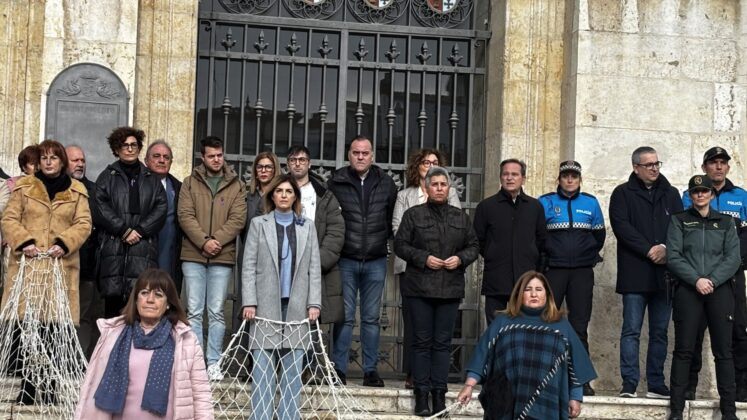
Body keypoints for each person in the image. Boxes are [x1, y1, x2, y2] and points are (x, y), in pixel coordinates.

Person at [1, 139, 92, 404]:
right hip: (29, 269)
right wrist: (24, 241)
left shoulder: (77, 191)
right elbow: (9, 218)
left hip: (60, 270)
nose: (49, 162)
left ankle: (51, 385)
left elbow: (84, 223)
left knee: (54, 331)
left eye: (54, 157)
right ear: (38, 162)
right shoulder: (23, 188)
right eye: (44, 158)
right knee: (31, 330)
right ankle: (28, 386)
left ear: (62, 161)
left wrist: (64, 243)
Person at [394, 166, 479, 416]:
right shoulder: (413, 215)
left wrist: (460, 259)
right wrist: (423, 258)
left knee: (442, 344)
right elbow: (400, 245)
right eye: (435, 184)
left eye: (444, 184)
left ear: (449, 188)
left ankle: (439, 396)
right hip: (419, 288)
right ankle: (421, 395)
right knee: (421, 343)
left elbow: (474, 245)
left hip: (449, 289)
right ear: (427, 188)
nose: (440, 188)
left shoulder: (460, 217)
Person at [74, 268, 213, 419]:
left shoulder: (185, 340)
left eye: (158, 295)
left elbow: (201, 395)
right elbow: (90, 387)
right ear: (136, 299)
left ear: (168, 304)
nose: (150, 300)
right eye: (144, 293)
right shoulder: (113, 335)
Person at [456, 271, 596, 419]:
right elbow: (482, 355)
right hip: (507, 402)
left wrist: (575, 397)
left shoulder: (561, 326)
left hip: (547, 403)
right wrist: (469, 386)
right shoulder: (503, 322)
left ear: (547, 294)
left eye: (539, 289)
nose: (533, 294)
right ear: (519, 294)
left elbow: (576, 365)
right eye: (528, 290)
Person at [241, 174, 321, 420]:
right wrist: (249, 301)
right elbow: (249, 265)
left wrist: (314, 303)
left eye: (289, 191)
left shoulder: (307, 225)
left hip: (296, 306)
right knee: (263, 370)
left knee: (292, 371)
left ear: (295, 196)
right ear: (272, 195)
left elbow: (314, 268)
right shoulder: (258, 224)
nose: (284, 195)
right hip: (264, 305)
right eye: (280, 191)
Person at [609, 146, 683, 399]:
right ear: (636, 168)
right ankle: (629, 382)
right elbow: (622, 226)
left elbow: (679, 226)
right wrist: (648, 249)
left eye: (657, 164)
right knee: (631, 330)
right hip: (635, 272)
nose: (654, 168)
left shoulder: (671, 193)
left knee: (660, 332)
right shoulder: (622, 194)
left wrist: (664, 248)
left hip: (664, 274)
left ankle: (655, 383)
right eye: (649, 164)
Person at [666, 175, 741, 420]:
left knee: (724, 351)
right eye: (696, 191)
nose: (700, 195)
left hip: (720, 291)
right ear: (690, 195)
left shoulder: (727, 222)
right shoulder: (679, 221)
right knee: (684, 349)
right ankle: (676, 410)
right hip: (689, 290)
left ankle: (729, 411)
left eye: (704, 191)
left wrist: (713, 280)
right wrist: (696, 280)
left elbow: (733, 258)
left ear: (711, 194)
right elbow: (674, 256)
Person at [327, 135, 397, 387]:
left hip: (375, 260)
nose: (360, 157)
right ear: (349, 154)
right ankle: (338, 370)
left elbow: (390, 219)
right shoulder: (336, 181)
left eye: (365, 153)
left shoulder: (386, 183)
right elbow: (329, 219)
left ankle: (370, 370)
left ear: (372, 155)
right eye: (355, 152)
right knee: (343, 318)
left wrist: (380, 243)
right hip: (345, 259)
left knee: (371, 318)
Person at [680, 146, 747, 401]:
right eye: (713, 162)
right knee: (694, 330)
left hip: (731, 275)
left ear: (728, 167)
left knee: (739, 329)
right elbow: (682, 234)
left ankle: (741, 387)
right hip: (697, 277)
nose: (718, 167)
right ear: (704, 167)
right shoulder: (689, 196)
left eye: (723, 163)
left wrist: (732, 264)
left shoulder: (741, 197)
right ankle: (689, 387)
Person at [178, 136, 247, 381]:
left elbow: (238, 219)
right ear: (202, 157)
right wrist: (203, 241)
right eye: (211, 156)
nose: (216, 160)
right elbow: (185, 215)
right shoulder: (189, 183)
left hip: (222, 256)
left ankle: (214, 362)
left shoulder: (236, 185)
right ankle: (196, 362)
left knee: (217, 311)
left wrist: (215, 240)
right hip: (193, 255)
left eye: (219, 155)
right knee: (195, 310)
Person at [392, 148, 461, 389]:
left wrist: (444, 256)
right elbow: (397, 229)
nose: (429, 165)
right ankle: (414, 374)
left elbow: (457, 227)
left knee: (439, 332)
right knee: (415, 324)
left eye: (434, 162)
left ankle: (434, 377)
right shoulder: (405, 196)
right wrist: (423, 255)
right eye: (425, 162)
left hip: (444, 270)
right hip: (414, 269)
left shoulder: (448, 194)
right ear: (417, 167)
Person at [538, 160, 605, 396]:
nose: (569, 180)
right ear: (559, 179)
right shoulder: (545, 202)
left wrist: (586, 255)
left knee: (579, 327)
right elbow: (537, 236)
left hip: (581, 272)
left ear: (579, 180)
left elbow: (599, 236)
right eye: (565, 176)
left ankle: (581, 379)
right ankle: (545, 377)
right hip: (553, 271)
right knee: (547, 323)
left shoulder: (590, 202)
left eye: (574, 177)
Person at [94, 126, 167, 318]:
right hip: (114, 248)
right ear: (116, 149)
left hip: (142, 248)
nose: (129, 149)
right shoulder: (107, 177)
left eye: (134, 145)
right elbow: (100, 207)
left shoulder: (151, 179)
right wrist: (123, 230)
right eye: (124, 145)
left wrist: (140, 231)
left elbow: (161, 208)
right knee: (113, 308)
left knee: (139, 305)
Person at [472, 158, 547, 324]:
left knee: (525, 329)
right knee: (496, 329)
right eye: (505, 174)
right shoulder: (486, 206)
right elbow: (478, 240)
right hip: (496, 279)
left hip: (526, 281)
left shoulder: (535, 207)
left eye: (514, 174)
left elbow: (542, 241)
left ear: (523, 178)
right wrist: (493, 253)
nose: (509, 178)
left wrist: (536, 271)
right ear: (500, 177)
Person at [286, 145, 345, 325]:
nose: (297, 164)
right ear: (287, 164)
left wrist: (316, 262)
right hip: (282, 266)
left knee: (310, 323)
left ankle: (308, 355)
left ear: (309, 164)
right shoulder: (277, 191)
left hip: (314, 269)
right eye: (293, 160)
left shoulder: (324, 195)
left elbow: (336, 232)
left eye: (302, 160)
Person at [234, 151, 280, 330]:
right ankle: (245, 352)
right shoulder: (247, 195)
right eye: (260, 167)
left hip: (273, 256)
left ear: (275, 169)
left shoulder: (280, 194)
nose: (264, 171)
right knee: (246, 303)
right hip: (248, 254)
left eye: (268, 167)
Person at [66, 144, 102, 358]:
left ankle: (78, 361)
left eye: (82, 160)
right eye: (75, 160)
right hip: (58, 264)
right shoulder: (56, 188)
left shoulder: (94, 190)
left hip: (86, 265)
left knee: (85, 315)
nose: (80, 164)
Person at [145, 140, 184, 293]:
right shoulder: (137, 184)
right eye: (156, 156)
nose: (162, 160)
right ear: (146, 160)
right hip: (143, 251)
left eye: (166, 157)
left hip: (169, 250)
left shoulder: (179, 187)